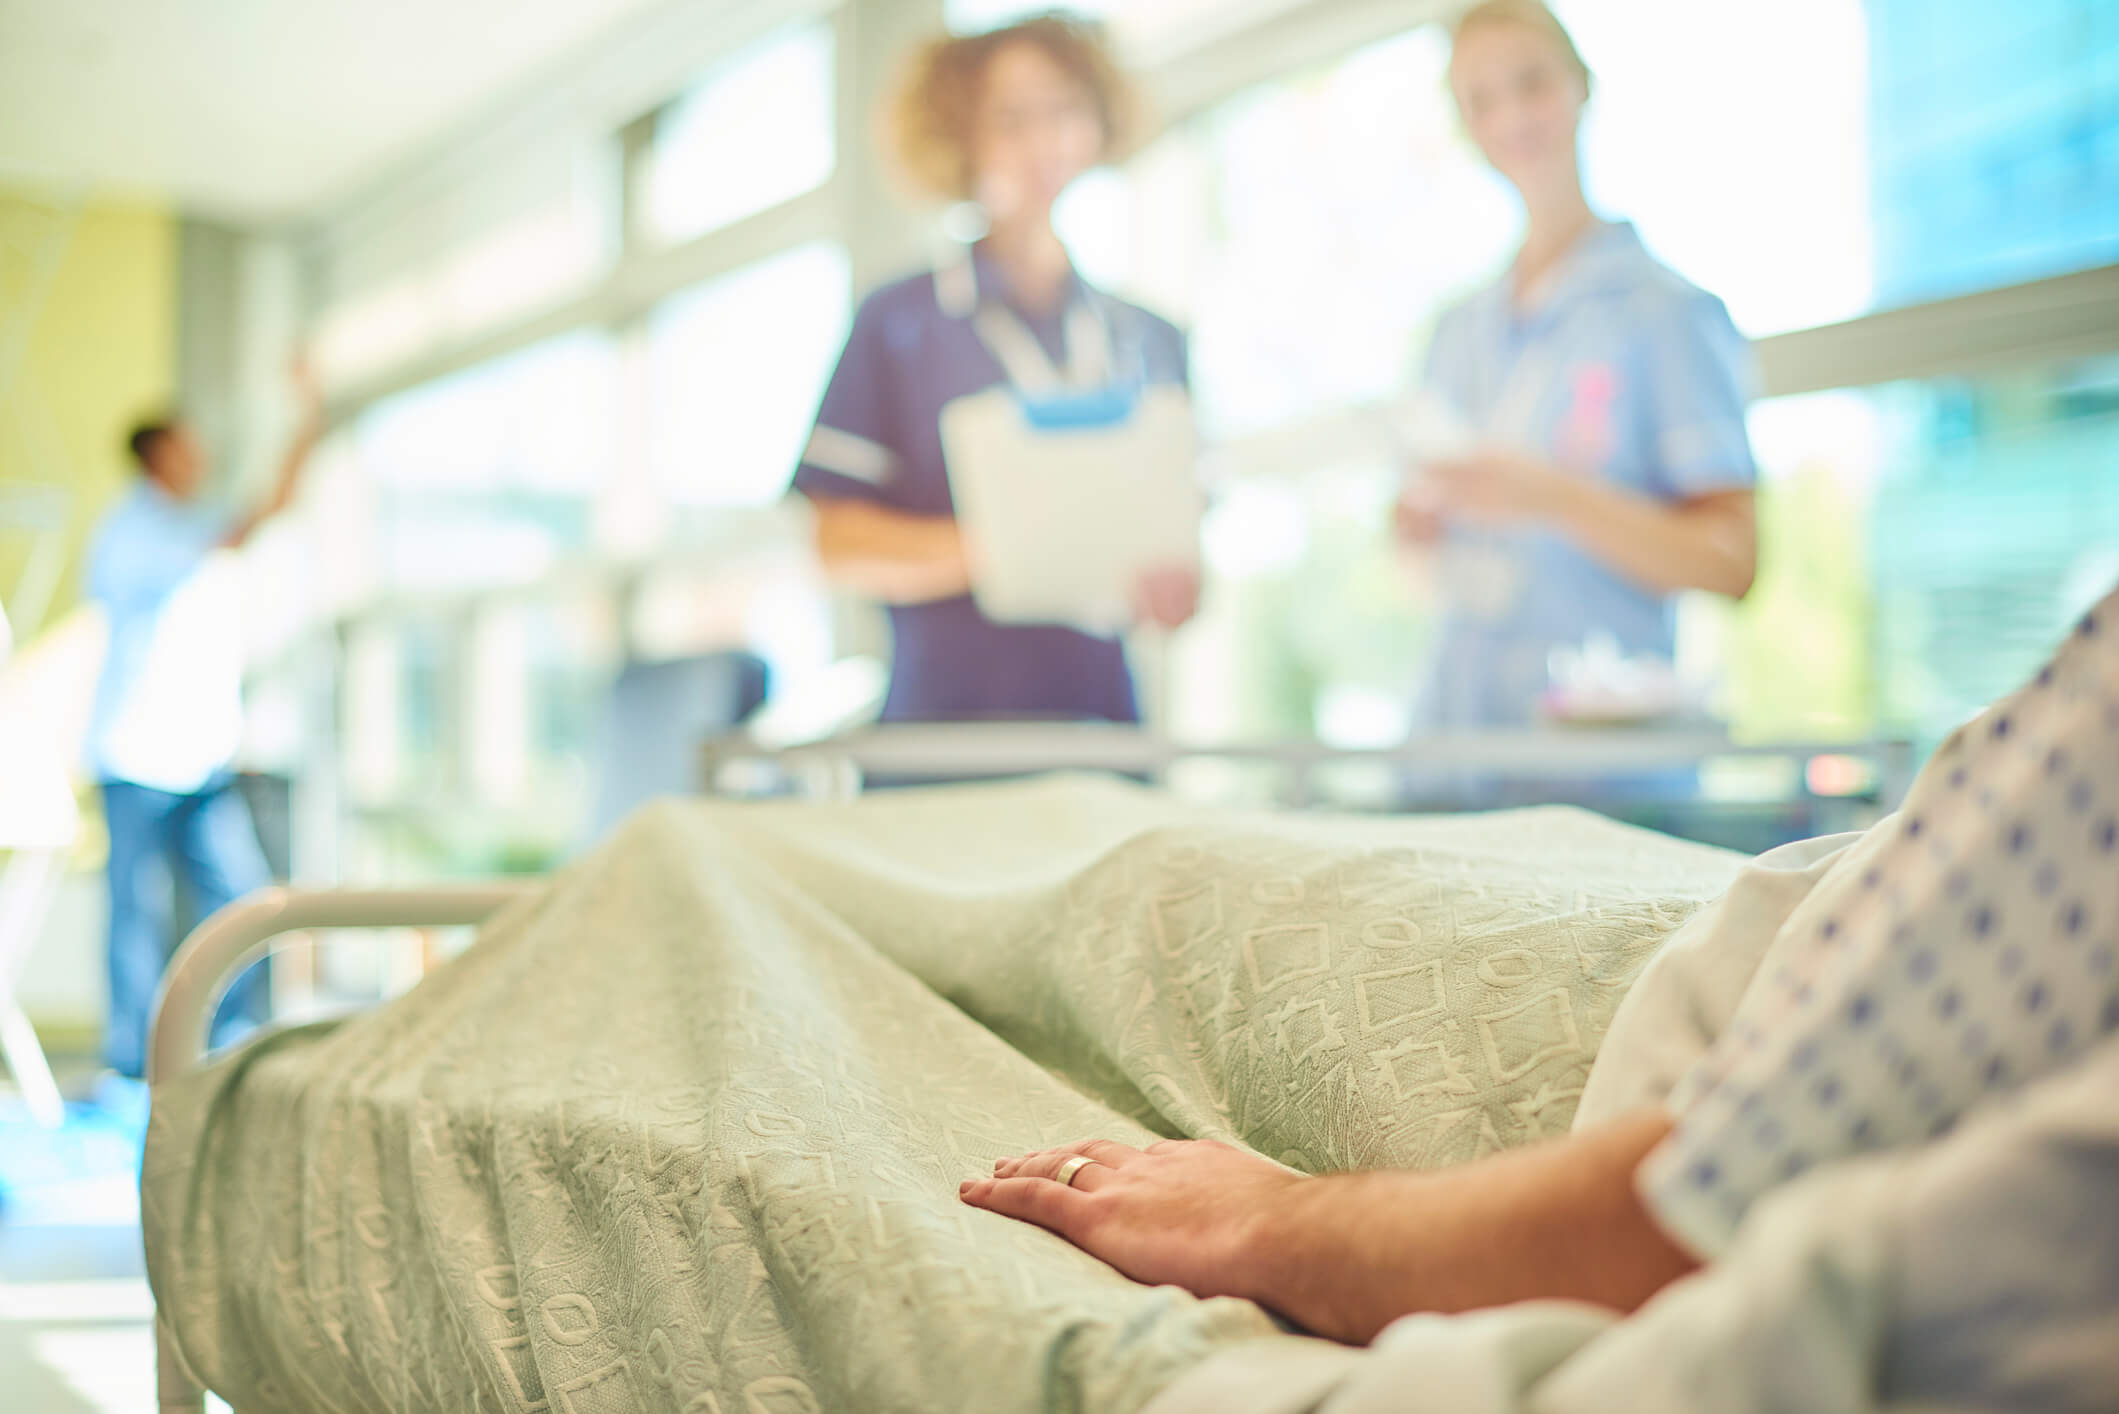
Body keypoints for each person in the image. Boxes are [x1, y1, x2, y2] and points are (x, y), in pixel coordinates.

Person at [962, 583, 2119, 1405]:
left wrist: (1265, 1218)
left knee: (1165, 878)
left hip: (1621, 1004)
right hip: (1705, 917)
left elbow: (1670, 1219)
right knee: (1175, 865)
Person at [792, 12, 1198, 725]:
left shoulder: (1149, 337)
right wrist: (1005, 548)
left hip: (1105, 729)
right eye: (1009, 118)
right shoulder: (901, 323)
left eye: (1063, 110)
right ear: (962, 135)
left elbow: (1184, 559)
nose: (1040, 141)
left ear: (1098, 123)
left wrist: (1172, 591)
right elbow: (835, 542)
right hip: (946, 727)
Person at [1395, 0, 1759, 732]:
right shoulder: (1456, 332)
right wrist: (1414, 525)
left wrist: (1552, 497)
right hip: (1452, 747)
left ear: (1580, 84)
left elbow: (1732, 563)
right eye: (1480, 100)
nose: (1510, 119)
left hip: (1595, 763)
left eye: (1530, 84)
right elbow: (1418, 543)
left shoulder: (1664, 313)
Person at [86, 366, 322, 1082]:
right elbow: (249, 521)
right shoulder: (130, 533)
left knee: (240, 900)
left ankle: (227, 1047)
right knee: (136, 917)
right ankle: (130, 1068)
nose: (202, 458)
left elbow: (266, 510)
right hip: (135, 757)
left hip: (202, 760)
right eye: (188, 447)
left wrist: (306, 422)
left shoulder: (189, 525)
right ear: (156, 455)